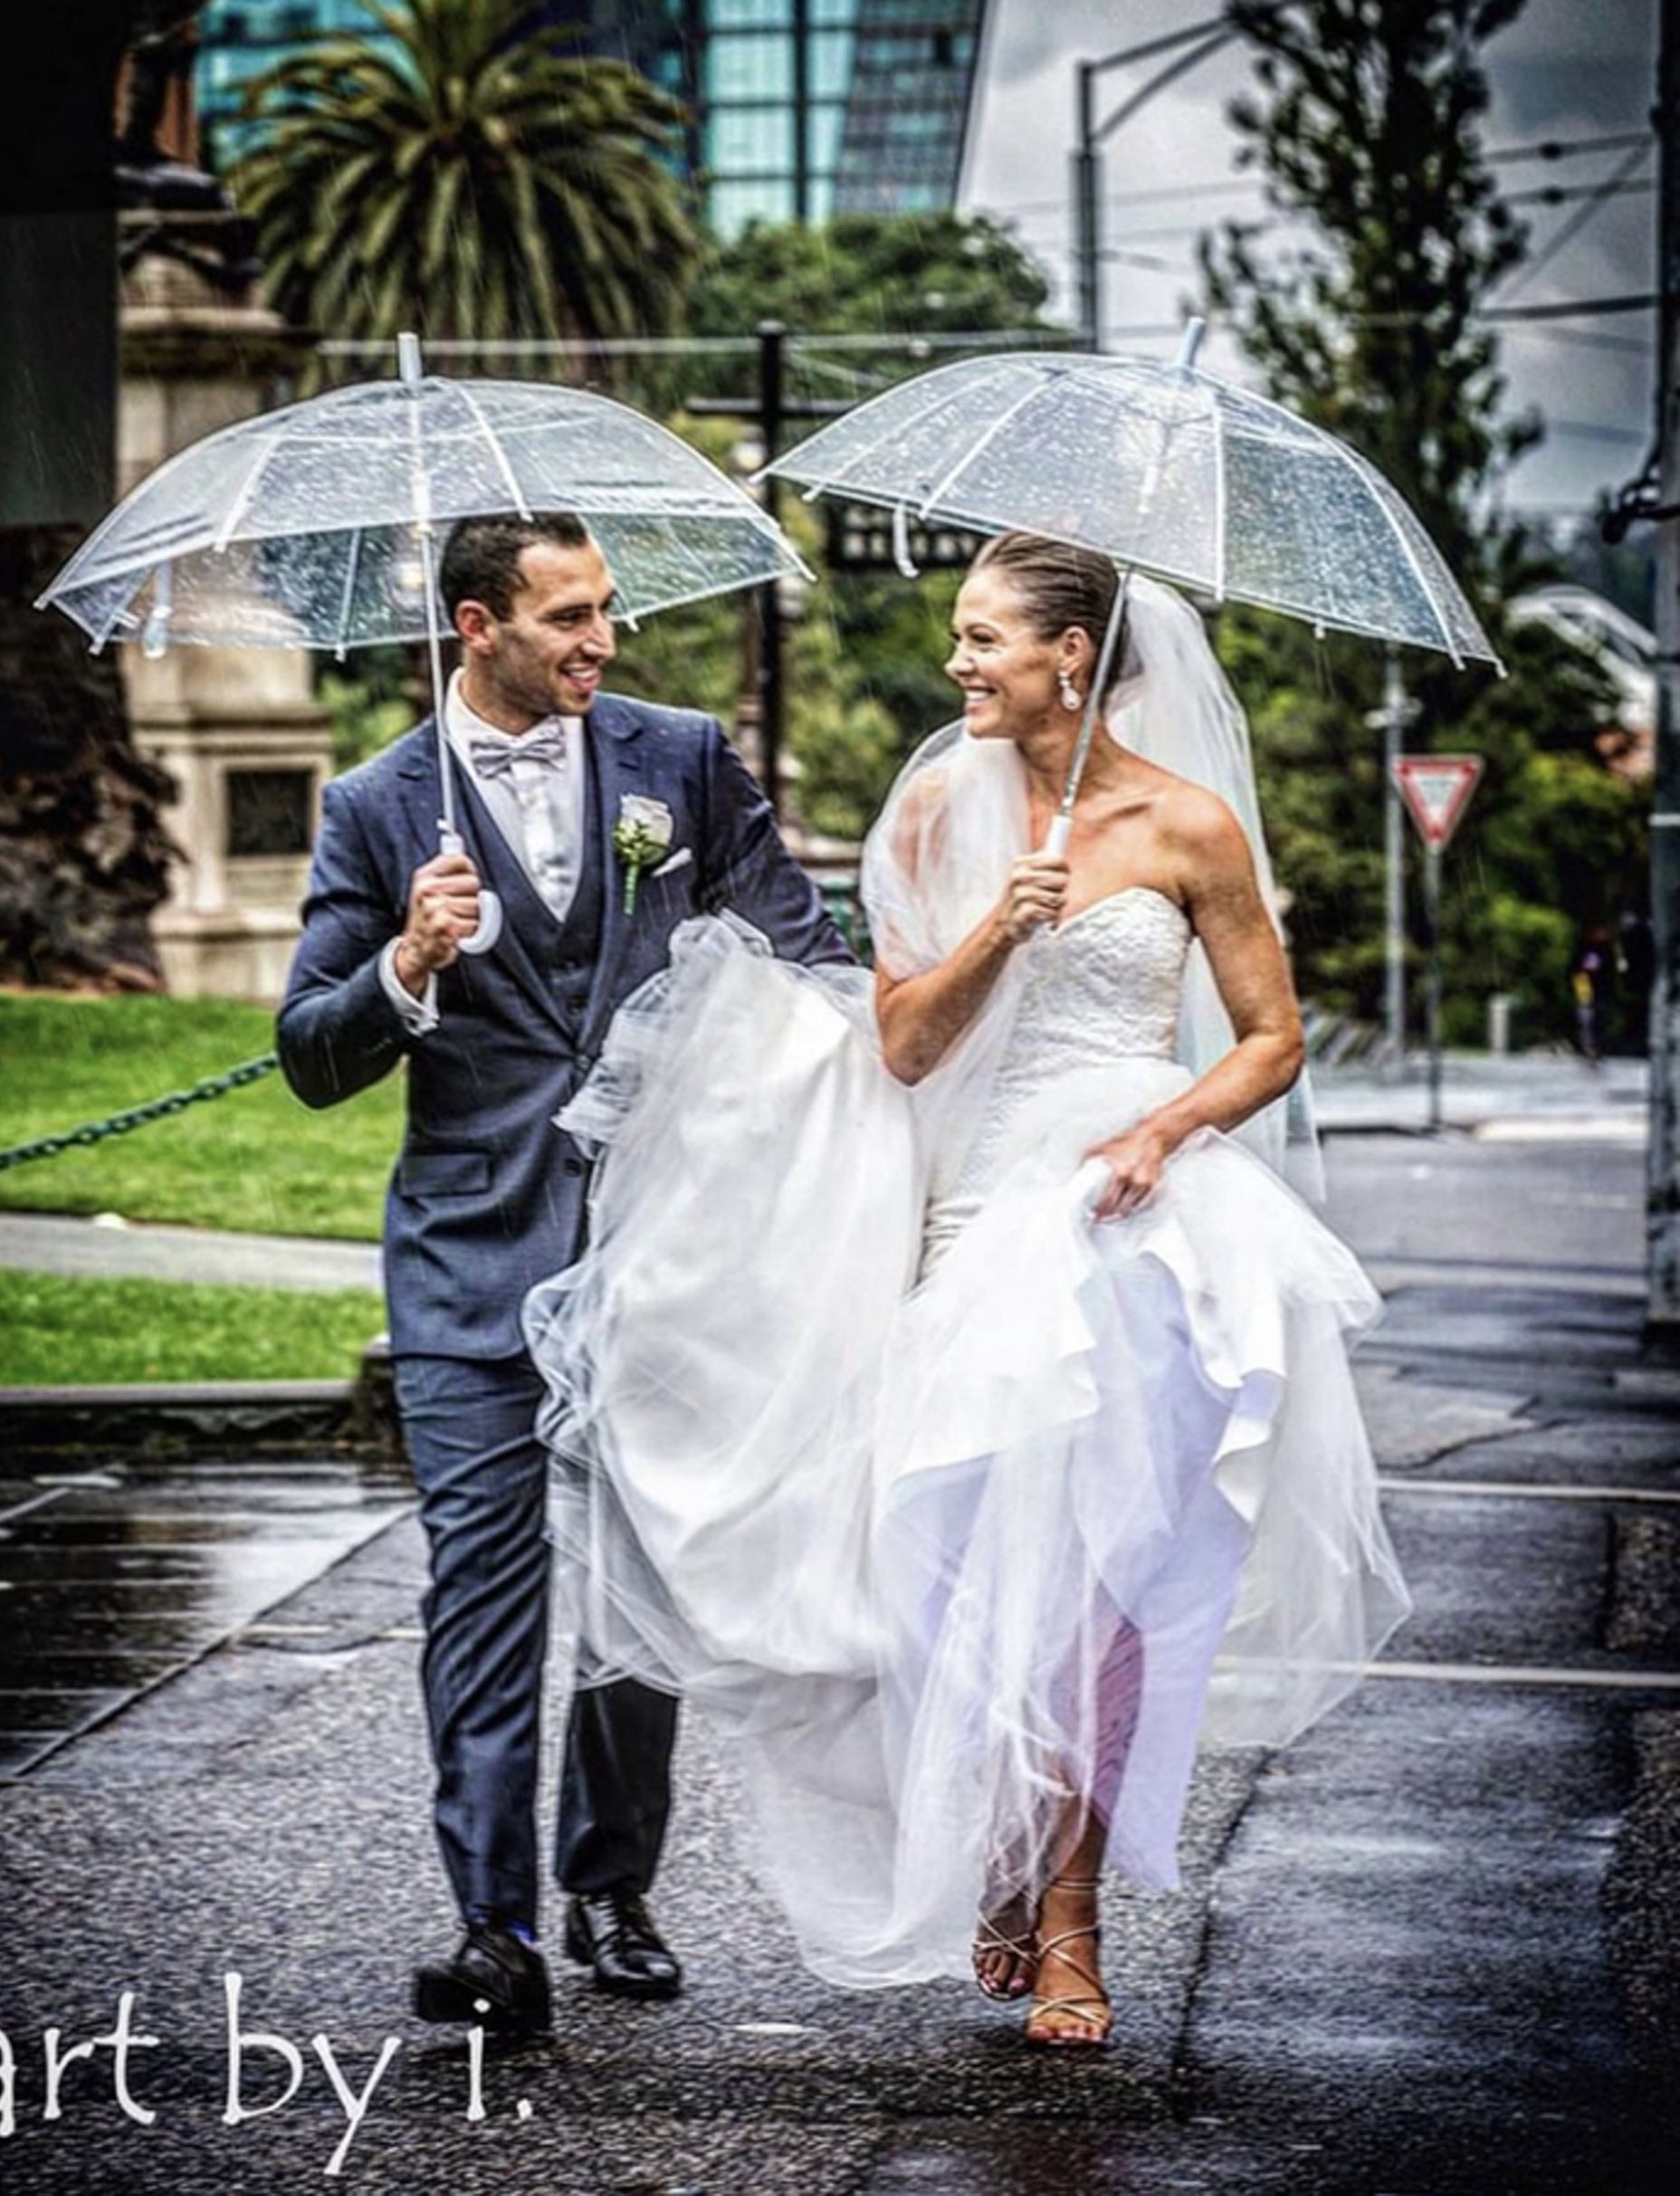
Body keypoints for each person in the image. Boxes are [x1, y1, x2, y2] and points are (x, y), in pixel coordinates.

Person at [525, 532, 1410, 2049]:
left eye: (986, 636)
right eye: (960, 633)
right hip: (986, 1209)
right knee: (953, 1568)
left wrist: (1160, 1127)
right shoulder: (937, 807)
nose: (960, 661)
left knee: (1108, 1576)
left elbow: (1270, 1039)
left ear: (1072, 653)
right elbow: (907, 1045)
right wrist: (1001, 924)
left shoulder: (1189, 824)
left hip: (1150, 1222)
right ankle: (1000, 1852)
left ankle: (1071, 1912)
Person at [277, 511, 854, 2042]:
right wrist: (407, 962)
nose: (602, 640)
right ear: (476, 627)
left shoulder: (679, 755)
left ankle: (613, 1886)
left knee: (633, 1589)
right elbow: (307, 1053)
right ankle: (496, 1929)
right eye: (565, 618)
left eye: (606, 610)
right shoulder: (376, 805)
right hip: (470, 1262)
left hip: (661, 1253)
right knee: (483, 1594)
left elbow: (808, 950)